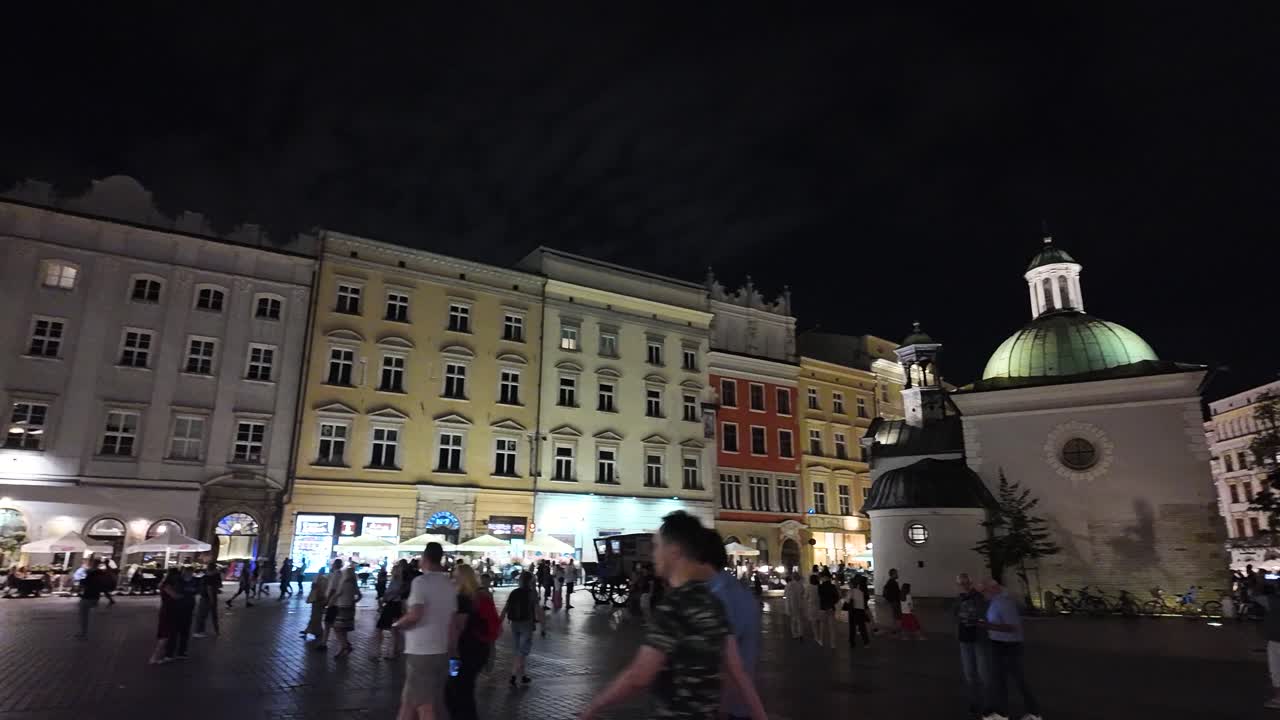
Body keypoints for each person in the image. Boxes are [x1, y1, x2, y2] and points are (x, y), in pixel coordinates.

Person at [578, 511, 767, 720]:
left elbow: (638, 676)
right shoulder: (711, 602)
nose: (653, 554)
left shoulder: (673, 606)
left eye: (658, 546)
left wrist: (595, 705)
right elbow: (737, 671)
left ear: (674, 551)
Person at [700, 528, 761, 720]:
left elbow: (728, 664)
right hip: (737, 705)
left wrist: (720, 710)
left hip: (728, 709)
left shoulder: (719, 596)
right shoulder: (735, 589)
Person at [394, 542, 458, 720]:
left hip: (422, 651)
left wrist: (398, 624)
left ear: (425, 558)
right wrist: (453, 650)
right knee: (411, 701)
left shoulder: (421, 582)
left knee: (425, 706)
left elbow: (415, 615)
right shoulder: (449, 584)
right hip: (441, 650)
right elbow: (453, 621)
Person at [977, 578, 1041, 720]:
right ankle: (1005, 713)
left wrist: (987, 626)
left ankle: (1031, 713)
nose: (983, 594)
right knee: (1002, 680)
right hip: (1001, 644)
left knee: (1015, 680)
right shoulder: (996, 601)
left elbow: (1012, 627)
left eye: (984, 590)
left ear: (993, 588)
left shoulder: (1003, 602)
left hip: (1007, 646)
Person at [446, 565, 492, 720]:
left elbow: (458, 627)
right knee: (462, 689)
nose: (452, 579)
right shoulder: (478, 595)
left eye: (455, 576)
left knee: (456, 690)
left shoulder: (462, 599)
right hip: (478, 650)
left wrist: (452, 653)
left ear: (461, 579)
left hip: (463, 653)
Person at [955, 573, 989, 716]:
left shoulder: (978, 597)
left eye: (966, 582)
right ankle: (975, 703)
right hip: (964, 639)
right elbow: (954, 615)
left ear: (971, 582)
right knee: (969, 674)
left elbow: (983, 613)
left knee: (984, 674)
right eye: (961, 583)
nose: (964, 585)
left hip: (978, 638)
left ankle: (989, 704)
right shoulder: (959, 598)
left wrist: (974, 618)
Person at [500, 570, 541, 686]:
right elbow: (538, 610)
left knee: (519, 650)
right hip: (526, 624)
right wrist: (543, 626)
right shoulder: (532, 593)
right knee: (521, 652)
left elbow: (505, 608)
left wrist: (499, 622)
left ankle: (522, 676)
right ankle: (513, 675)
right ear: (531, 580)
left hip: (514, 624)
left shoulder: (514, 592)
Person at [327, 562, 361, 658]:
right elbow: (359, 595)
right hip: (350, 608)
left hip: (342, 607)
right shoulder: (354, 583)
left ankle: (345, 646)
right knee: (343, 629)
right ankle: (344, 647)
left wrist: (330, 603)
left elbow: (337, 594)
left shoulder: (343, 583)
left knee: (337, 628)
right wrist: (353, 601)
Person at [149, 568, 182, 664]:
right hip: (168, 610)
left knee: (166, 634)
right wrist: (183, 594)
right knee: (165, 635)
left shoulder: (165, 584)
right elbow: (175, 596)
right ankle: (155, 657)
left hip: (167, 610)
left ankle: (158, 656)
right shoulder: (167, 585)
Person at [165, 566, 198, 660]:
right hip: (177, 609)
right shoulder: (178, 580)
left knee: (184, 632)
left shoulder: (194, 581)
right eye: (187, 572)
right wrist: (175, 595)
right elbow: (166, 587)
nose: (189, 574)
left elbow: (196, 591)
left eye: (190, 573)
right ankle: (170, 653)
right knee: (174, 631)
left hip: (188, 609)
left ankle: (181, 652)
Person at [374, 562, 405, 660]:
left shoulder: (395, 582)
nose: (391, 571)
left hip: (391, 605)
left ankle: (379, 652)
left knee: (380, 628)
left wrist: (384, 598)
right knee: (394, 630)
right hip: (396, 605)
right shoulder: (399, 581)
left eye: (393, 569)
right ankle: (392, 651)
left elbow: (390, 593)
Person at [75, 560, 107, 639]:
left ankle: (83, 633)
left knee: (83, 616)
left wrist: (81, 585)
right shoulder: (100, 575)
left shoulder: (91, 575)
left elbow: (84, 583)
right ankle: (83, 633)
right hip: (95, 597)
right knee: (84, 615)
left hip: (87, 597)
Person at [193, 561, 223, 637]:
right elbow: (210, 588)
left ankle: (200, 631)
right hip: (208, 598)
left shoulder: (206, 576)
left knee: (203, 615)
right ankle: (201, 631)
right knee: (206, 615)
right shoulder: (212, 577)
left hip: (205, 597)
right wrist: (212, 599)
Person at [843, 574, 871, 648]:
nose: (849, 585)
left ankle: (852, 642)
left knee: (852, 627)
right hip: (860, 611)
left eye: (849, 584)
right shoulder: (860, 592)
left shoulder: (850, 592)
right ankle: (866, 643)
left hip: (853, 611)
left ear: (852, 585)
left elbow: (847, 601)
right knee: (862, 627)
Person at [303, 566, 329, 643]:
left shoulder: (319, 578)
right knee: (316, 615)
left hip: (317, 599)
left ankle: (315, 631)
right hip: (321, 598)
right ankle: (312, 630)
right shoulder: (324, 579)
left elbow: (314, 587)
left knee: (315, 615)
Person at [1264, 582, 1280, 709]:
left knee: (1275, 670)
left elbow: (1255, 595)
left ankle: (1278, 699)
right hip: (1274, 639)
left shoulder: (1272, 600)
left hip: (1275, 639)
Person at [816, 571, 839, 648]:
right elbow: (836, 597)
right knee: (832, 626)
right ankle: (833, 644)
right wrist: (832, 604)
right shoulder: (832, 586)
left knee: (822, 625)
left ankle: (821, 641)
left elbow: (819, 598)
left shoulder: (820, 587)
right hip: (831, 608)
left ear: (823, 578)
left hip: (822, 608)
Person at [784, 572, 806, 639]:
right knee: (799, 620)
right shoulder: (800, 585)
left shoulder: (788, 585)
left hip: (791, 604)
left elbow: (785, 595)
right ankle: (800, 634)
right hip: (799, 604)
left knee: (793, 620)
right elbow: (803, 593)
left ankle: (794, 633)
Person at [882, 568, 902, 637]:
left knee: (895, 615)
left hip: (893, 601)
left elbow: (885, 591)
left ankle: (895, 629)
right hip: (895, 601)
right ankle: (896, 629)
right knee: (897, 615)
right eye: (896, 573)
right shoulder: (893, 582)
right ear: (893, 574)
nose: (897, 574)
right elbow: (896, 593)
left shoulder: (889, 582)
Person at [805, 573, 823, 645]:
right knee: (819, 622)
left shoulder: (809, 587)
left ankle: (816, 637)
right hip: (820, 606)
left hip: (812, 606)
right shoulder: (820, 586)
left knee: (814, 623)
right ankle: (820, 637)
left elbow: (806, 597)